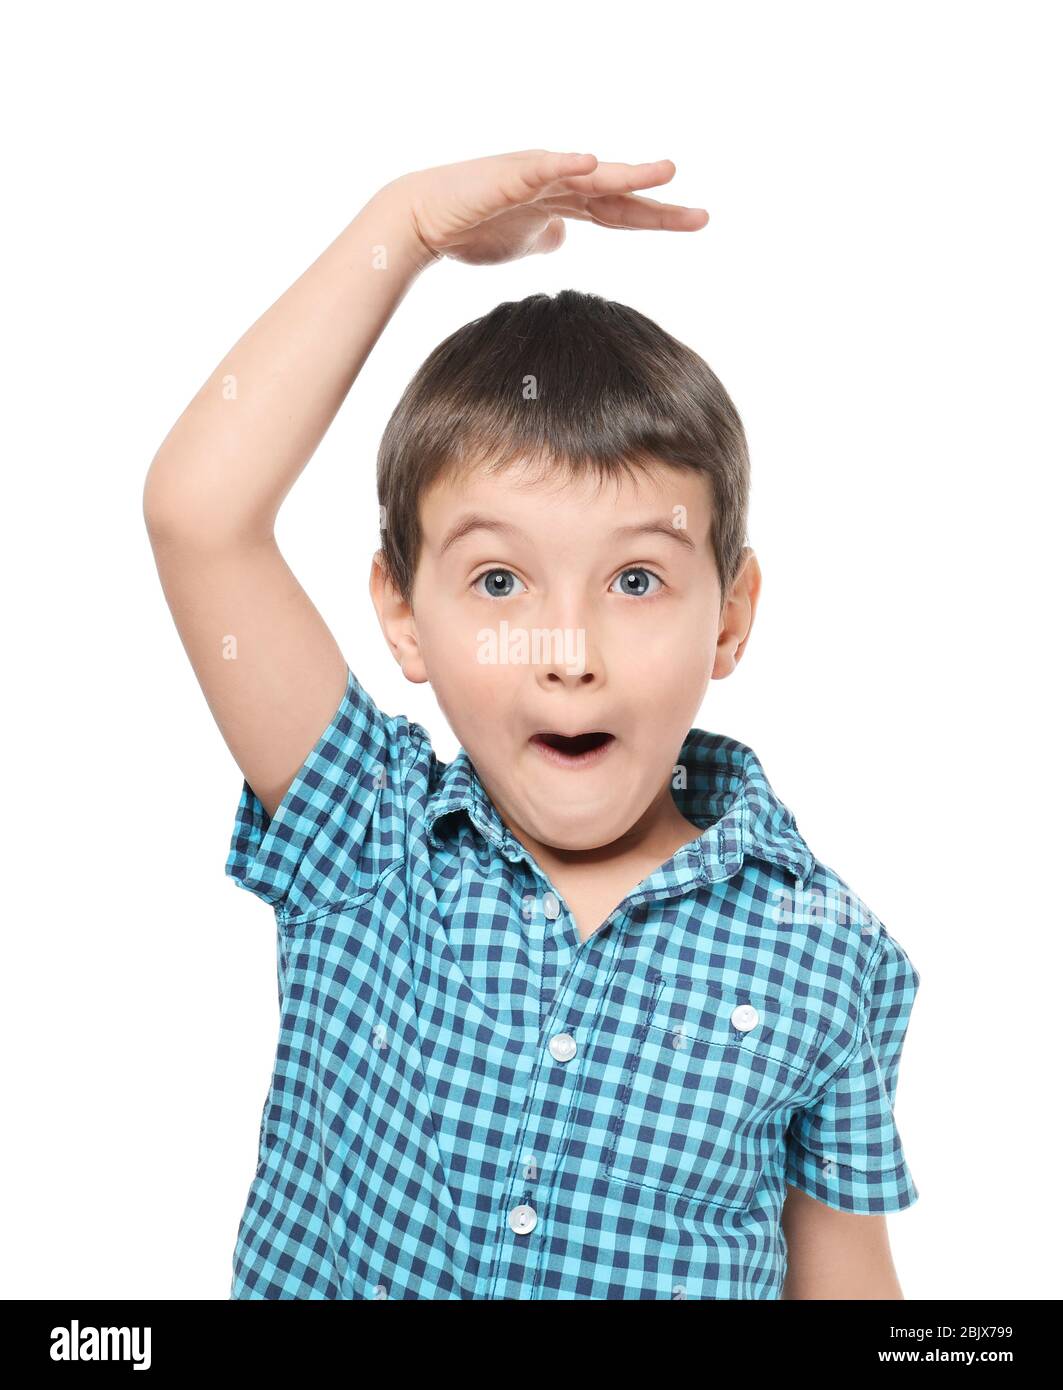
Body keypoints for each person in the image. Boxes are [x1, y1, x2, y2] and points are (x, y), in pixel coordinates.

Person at [143, 149, 921, 1300]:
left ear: (731, 613)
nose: (569, 654)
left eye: (638, 581)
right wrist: (399, 228)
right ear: (403, 616)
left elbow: (845, 1286)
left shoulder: (822, 949)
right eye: (500, 582)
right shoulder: (366, 841)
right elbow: (197, 511)